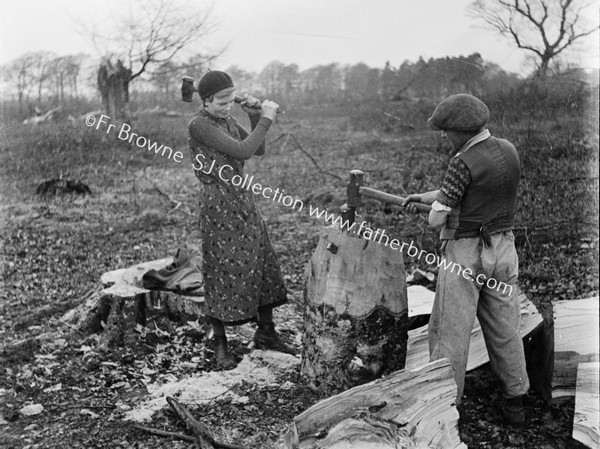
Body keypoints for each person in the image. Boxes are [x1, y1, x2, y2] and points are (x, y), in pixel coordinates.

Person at [403, 93, 529, 425]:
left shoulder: (463, 160)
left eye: (447, 132)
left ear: (460, 131)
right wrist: (426, 196)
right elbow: (472, 191)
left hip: (466, 253)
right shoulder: (508, 150)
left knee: (450, 330)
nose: (446, 138)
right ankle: (516, 402)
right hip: (503, 248)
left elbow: (438, 217)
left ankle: (444, 405)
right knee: (505, 328)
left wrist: (432, 208)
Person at [187, 70, 295, 370]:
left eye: (230, 101)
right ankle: (220, 342)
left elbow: (256, 149)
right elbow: (242, 150)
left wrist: (252, 115)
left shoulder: (227, 121)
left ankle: (266, 332)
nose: (226, 106)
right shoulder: (199, 125)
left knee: (262, 261)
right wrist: (267, 118)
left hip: (241, 200)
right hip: (218, 204)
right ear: (205, 100)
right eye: (221, 101)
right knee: (222, 268)